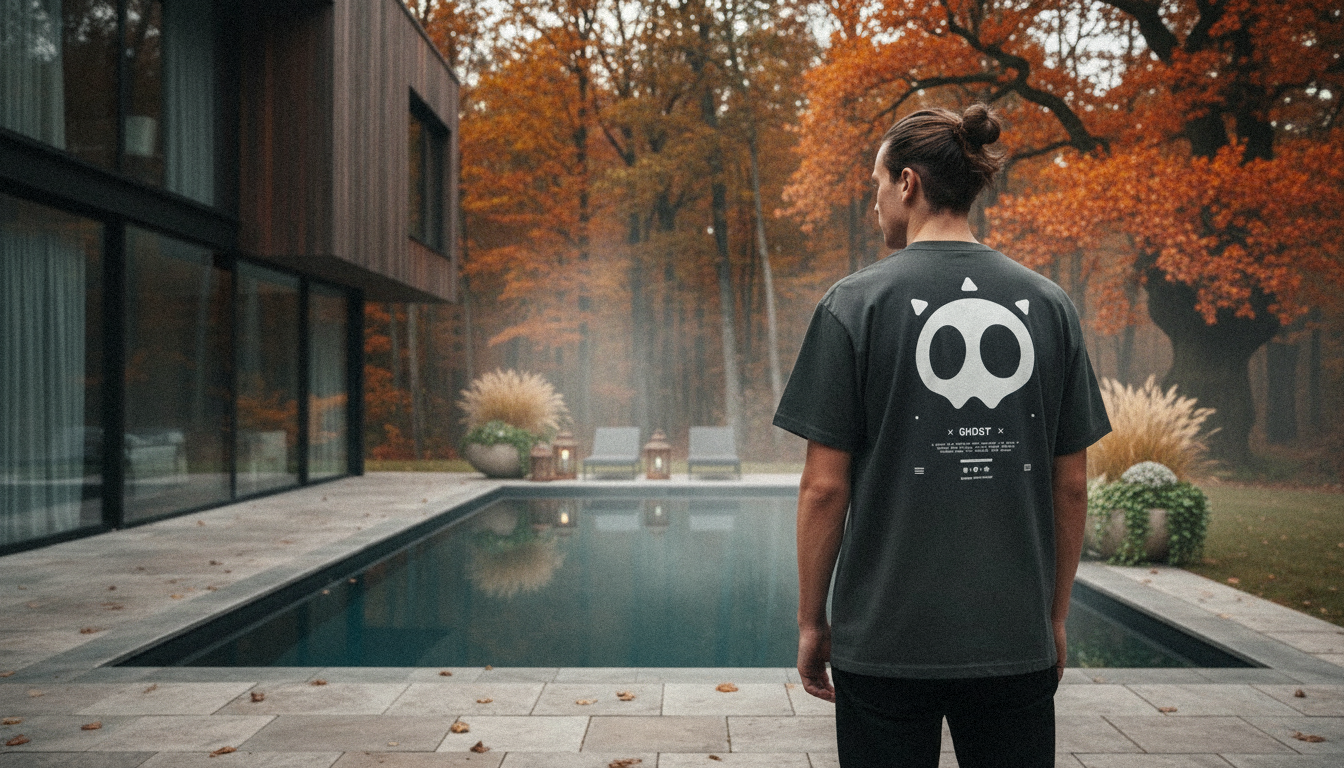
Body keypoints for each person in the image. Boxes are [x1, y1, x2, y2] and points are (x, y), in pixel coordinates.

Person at [772, 104, 1111, 767]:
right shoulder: (1049, 306)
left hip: (885, 642)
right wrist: (1055, 618)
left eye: (875, 185)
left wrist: (813, 623)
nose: (874, 205)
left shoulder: (854, 305)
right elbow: (1071, 485)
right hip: (1012, 635)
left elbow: (822, 488)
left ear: (907, 184)